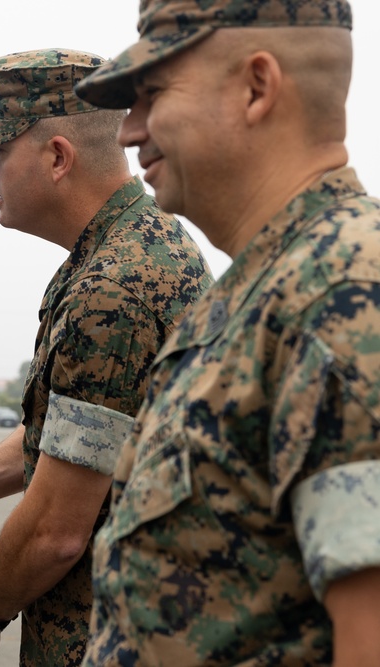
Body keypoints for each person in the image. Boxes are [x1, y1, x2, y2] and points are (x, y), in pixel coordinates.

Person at [0, 49, 213, 666]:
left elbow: (57, 529)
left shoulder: (114, 287)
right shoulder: (125, 248)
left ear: (58, 157)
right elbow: (75, 435)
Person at [71, 1, 380, 664]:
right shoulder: (265, 289)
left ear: (256, 88)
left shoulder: (347, 289)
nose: (129, 131)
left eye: (152, 95)